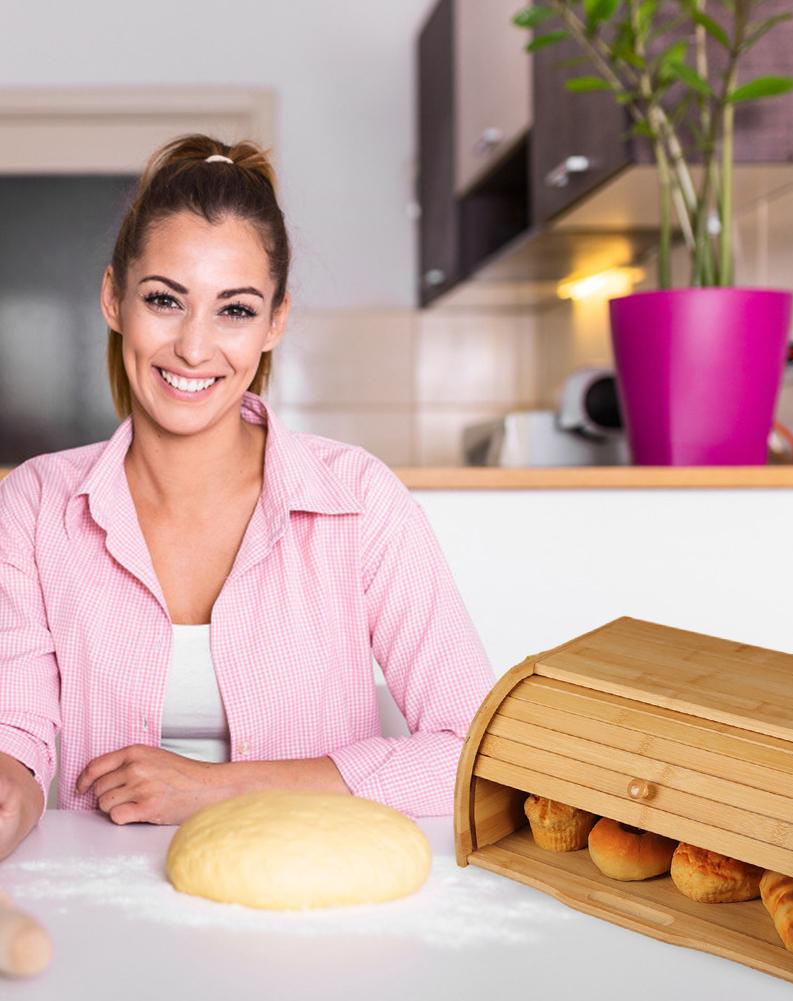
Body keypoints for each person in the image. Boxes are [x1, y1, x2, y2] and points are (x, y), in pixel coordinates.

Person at [0, 135, 496, 863]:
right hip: (92, 916)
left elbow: (471, 750)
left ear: (275, 322)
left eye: (234, 310)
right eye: (164, 300)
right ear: (114, 299)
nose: (195, 348)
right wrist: (10, 788)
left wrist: (220, 787)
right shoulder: (35, 503)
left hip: (310, 919)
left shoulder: (358, 501)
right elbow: (15, 730)